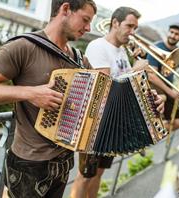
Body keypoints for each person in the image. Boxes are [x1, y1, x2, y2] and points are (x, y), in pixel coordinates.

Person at [0, 0, 97, 197]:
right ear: (65, 9)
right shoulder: (23, 46)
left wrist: (144, 97)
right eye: (85, 20)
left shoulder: (79, 60)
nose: (88, 28)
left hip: (64, 162)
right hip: (28, 165)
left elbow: (104, 94)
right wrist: (30, 93)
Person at [70, 7, 165, 198]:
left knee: (99, 173)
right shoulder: (98, 46)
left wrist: (153, 96)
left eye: (135, 27)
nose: (132, 32)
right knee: (85, 175)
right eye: (129, 26)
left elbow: (127, 87)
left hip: (112, 122)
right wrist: (136, 70)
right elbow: (102, 87)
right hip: (96, 121)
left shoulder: (122, 51)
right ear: (115, 23)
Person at [146, 22, 179, 131]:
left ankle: (152, 132)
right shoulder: (157, 47)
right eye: (171, 32)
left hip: (167, 88)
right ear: (168, 32)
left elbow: (169, 73)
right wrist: (170, 92)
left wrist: (175, 90)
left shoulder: (178, 53)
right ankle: (149, 133)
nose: (173, 36)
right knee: (154, 119)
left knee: (177, 121)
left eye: (176, 34)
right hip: (155, 88)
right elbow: (151, 75)